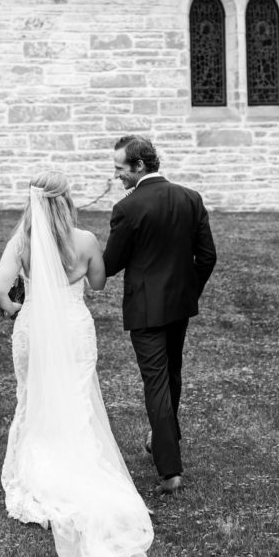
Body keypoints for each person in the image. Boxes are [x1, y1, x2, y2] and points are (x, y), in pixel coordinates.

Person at [0, 171, 154, 557]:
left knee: (33, 396)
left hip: (35, 330)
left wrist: (19, 312)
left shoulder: (22, 242)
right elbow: (97, 284)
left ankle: (41, 471)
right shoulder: (85, 241)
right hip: (74, 327)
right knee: (77, 398)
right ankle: (81, 469)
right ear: (66, 200)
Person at [103, 136, 217, 495]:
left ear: (139, 166)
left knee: (157, 383)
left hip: (146, 310)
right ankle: (165, 436)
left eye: (120, 168)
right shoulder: (190, 197)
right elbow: (207, 257)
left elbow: (111, 264)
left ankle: (169, 469)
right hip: (179, 305)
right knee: (172, 374)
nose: (116, 175)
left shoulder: (128, 208)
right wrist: (188, 291)